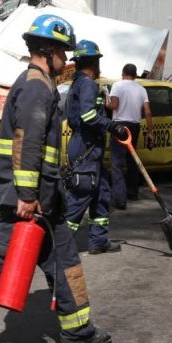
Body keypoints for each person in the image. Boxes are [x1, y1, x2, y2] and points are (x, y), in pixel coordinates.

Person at [0, 15, 111, 343]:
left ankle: (78, 333)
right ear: (48, 50)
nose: (66, 59)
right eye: (63, 52)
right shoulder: (36, 87)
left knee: (65, 265)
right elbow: (26, 143)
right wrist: (27, 196)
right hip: (27, 205)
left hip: (46, 203)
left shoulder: (38, 84)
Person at [64, 40, 127, 254]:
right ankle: (59, 246)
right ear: (93, 62)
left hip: (90, 148)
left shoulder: (79, 83)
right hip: (85, 148)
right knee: (80, 197)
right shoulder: (87, 84)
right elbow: (88, 115)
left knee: (101, 194)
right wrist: (112, 126)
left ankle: (98, 242)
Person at [107, 63, 152, 208]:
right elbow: (148, 112)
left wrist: (106, 100)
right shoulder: (141, 89)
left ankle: (120, 200)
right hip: (134, 126)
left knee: (117, 164)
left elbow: (114, 106)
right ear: (135, 75)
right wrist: (150, 132)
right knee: (132, 160)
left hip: (119, 126)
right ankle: (133, 192)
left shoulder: (117, 86)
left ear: (123, 73)